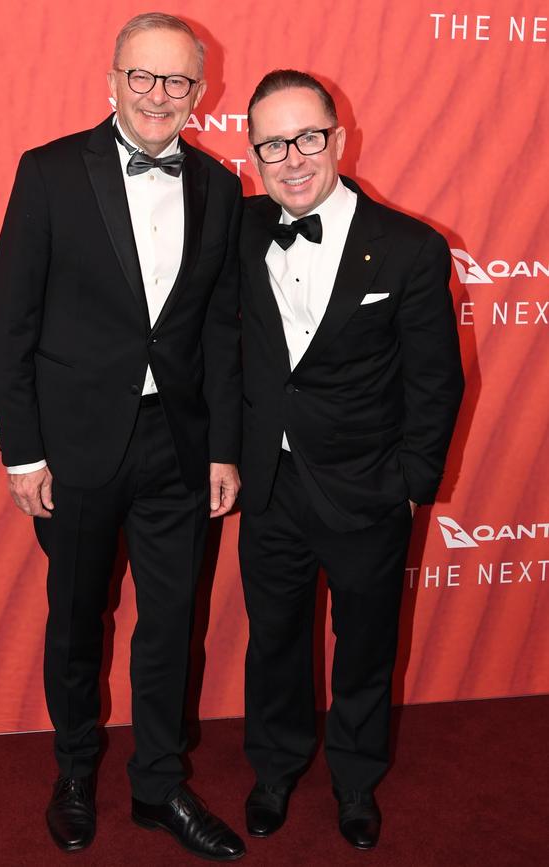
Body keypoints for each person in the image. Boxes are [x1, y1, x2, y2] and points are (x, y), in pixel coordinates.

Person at [0, 13, 245, 862]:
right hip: (73, 447)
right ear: (112, 78)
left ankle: (159, 783)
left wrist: (221, 446)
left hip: (177, 444)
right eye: (143, 76)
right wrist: (23, 451)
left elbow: (216, 328)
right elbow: (11, 323)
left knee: (171, 621)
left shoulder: (220, 186)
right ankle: (73, 770)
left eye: (177, 81)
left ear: (200, 93)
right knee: (76, 619)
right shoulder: (51, 172)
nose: (158, 96)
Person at [238, 70, 464, 850]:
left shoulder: (408, 247)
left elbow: (436, 382)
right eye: (273, 143)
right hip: (270, 483)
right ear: (254, 155)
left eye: (307, 137)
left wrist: (411, 488)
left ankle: (356, 778)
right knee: (274, 640)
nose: (292, 157)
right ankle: (274, 766)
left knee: (365, 645)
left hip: (369, 489)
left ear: (339, 139)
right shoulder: (237, 233)